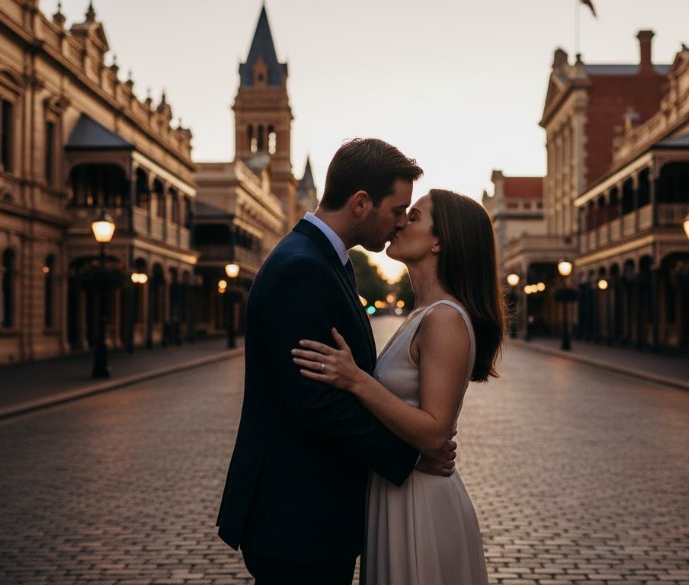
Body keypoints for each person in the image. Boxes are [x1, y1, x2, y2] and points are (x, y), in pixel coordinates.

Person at [216, 138, 457, 585]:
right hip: (297, 520)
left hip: (310, 518)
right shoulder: (302, 268)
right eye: (397, 209)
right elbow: (317, 405)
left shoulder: (324, 260)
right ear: (361, 203)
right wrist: (409, 459)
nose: (401, 221)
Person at [293, 188, 505, 585]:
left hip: (421, 500)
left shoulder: (444, 318)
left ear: (439, 241)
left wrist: (355, 379)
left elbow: (435, 431)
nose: (401, 221)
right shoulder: (422, 313)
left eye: (415, 215)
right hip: (398, 489)